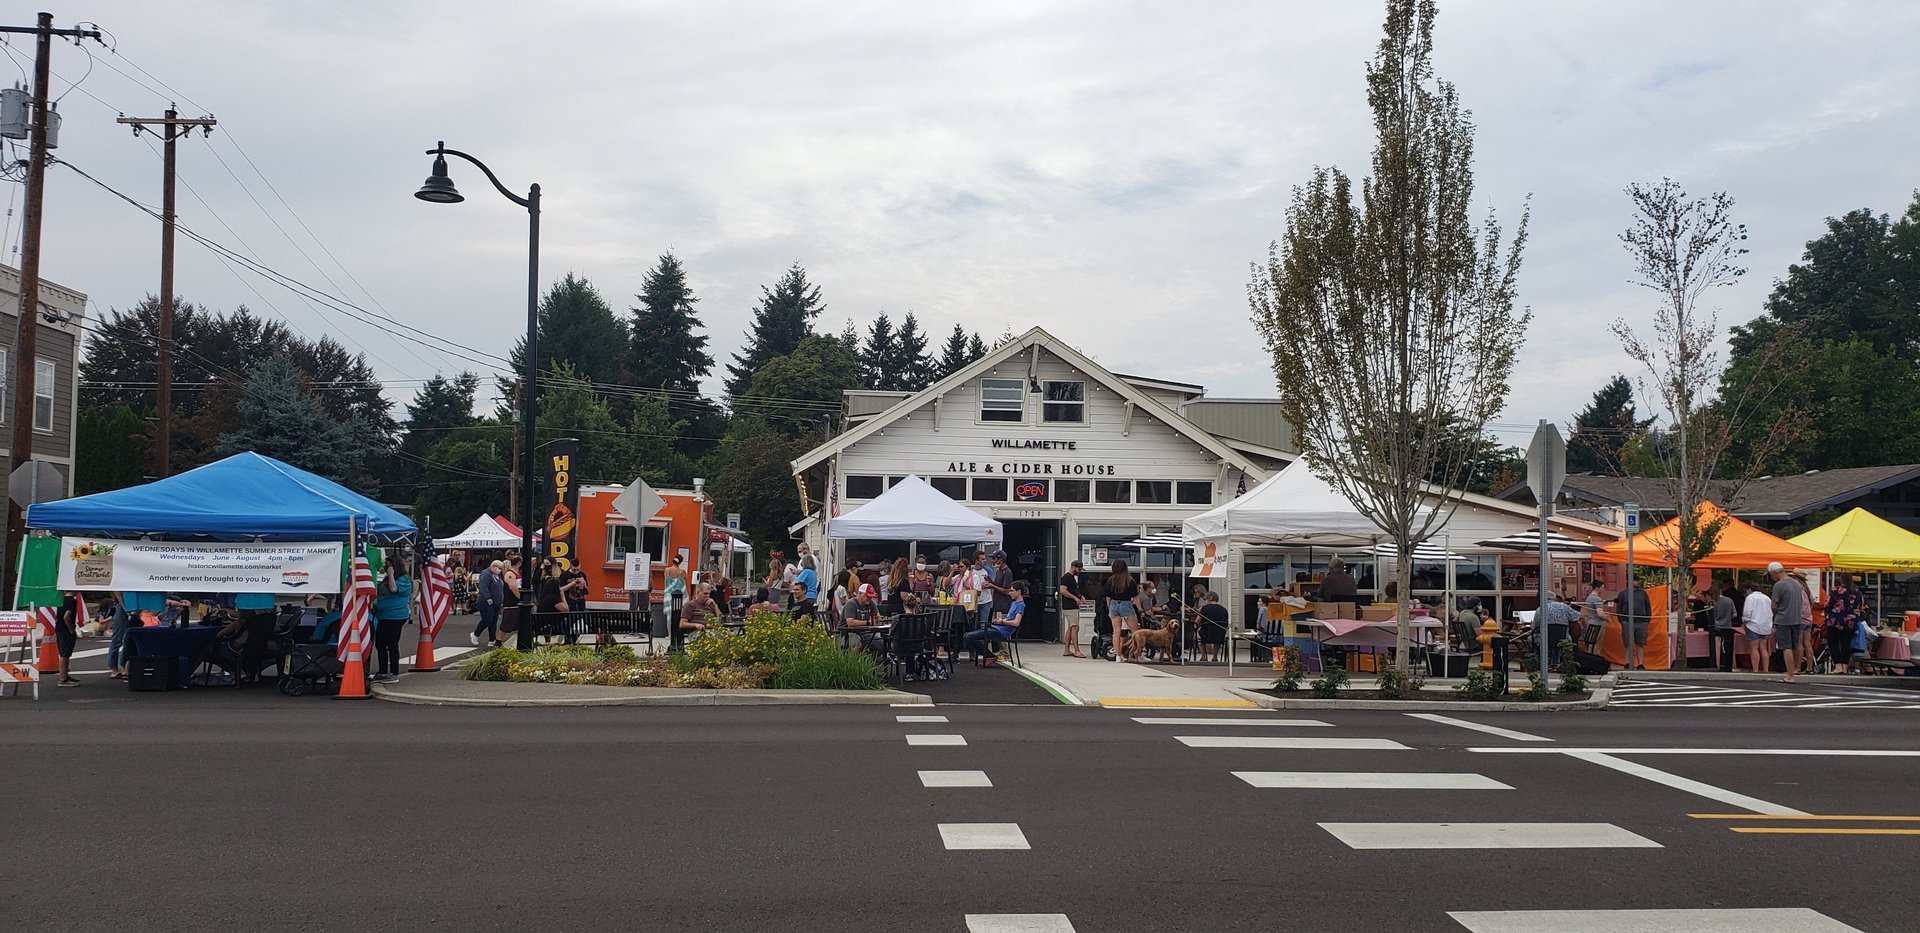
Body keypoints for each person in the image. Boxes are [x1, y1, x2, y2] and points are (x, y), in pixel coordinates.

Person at [372, 555, 413, 684]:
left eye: (388, 565)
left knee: (392, 644)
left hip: (395, 616)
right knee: (380, 644)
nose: (386, 567)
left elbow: (394, 589)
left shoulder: (404, 580)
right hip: (381, 615)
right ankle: (383, 671)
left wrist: (391, 574)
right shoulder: (384, 579)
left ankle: (394, 672)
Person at [964, 581, 1024, 666]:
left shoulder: (1020, 605)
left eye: (1012, 591)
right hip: (998, 628)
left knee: (969, 636)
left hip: (1002, 631)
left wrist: (1002, 621)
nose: (1009, 593)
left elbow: (1016, 623)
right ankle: (988, 655)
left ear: (1019, 592)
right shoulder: (1014, 603)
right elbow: (1010, 618)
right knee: (966, 635)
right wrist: (1000, 620)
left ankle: (989, 655)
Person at [1768, 561, 1804, 683]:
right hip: (1797, 618)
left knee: (1785, 647)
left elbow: (1774, 605)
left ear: (1774, 572)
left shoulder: (1779, 585)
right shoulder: (1797, 583)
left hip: (1783, 619)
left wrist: (1774, 614)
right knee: (1795, 645)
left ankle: (1790, 675)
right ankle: (1794, 670)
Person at [1827, 575, 1867, 674]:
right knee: (1846, 644)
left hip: (1836, 620)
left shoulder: (1836, 590)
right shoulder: (1857, 592)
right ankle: (1845, 666)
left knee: (1833, 643)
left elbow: (1828, 604)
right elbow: (1860, 606)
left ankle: (1838, 665)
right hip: (1851, 622)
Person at [1107, 559, 1140, 663]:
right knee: (1135, 631)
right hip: (1126, 604)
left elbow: (1107, 596)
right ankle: (1138, 654)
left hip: (1114, 604)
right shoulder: (1130, 580)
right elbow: (1135, 597)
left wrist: (1109, 608)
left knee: (1116, 632)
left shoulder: (1111, 580)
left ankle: (1118, 655)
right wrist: (1140, 609)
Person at [1743, 574, 1776, 675]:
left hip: (1753, 625)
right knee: (1763, 647)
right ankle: (1766, 669)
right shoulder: (1767, 598)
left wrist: (1744, 622)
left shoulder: (1750, 598)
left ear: (1748, 589)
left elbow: (1747, 613)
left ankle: (1756, 670)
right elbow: (1771, 612)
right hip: (1765, 625)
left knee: (1754, 648)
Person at [1057, 560, 1087, 658]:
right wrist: (1074, 598)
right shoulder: (1067, 578)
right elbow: (1062, 590)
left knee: (1071, 627)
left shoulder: (1072, 579)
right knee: (1075, 627)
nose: (1080, 571)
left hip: (1072, 606)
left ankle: (1067, 649)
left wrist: (1079, 596)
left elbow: (1071, 590)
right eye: (1079, 569)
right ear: (1073, 567)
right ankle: (1077, 650)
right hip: (1070, 606)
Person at [1620, 581, 1652, 671]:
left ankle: (1640, 663)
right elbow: (1619, 607)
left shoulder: (1643, 593)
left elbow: (1648, 606)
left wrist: (1647, 619)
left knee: (1640, 643)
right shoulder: (1623, 594)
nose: (1637, 582)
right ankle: (1627, 662)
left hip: (1641, 621)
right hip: (1627, 621)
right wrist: (1622, 620)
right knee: (1627, 643)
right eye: (1635, 580)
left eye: (1638, 581)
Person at [53, 591, 81, 687]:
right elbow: (67, 616)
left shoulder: (61, 600)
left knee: (63, 652)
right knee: (65, 654)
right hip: (66, 630)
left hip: (59, 628)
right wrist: (71, 629)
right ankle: (63, 679)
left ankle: (65, 675)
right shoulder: (72, 601)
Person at [473, 560, 504, 647]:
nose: (500, 570)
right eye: (499, 568)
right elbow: (483, 587)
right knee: (487, 620)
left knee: (493, 621)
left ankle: (492, 639)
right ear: (493, 567)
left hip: (496, 602)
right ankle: (476, 634)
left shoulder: (497, 576)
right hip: (485, 602)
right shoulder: (486, 574)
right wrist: (488, 598)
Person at [1710, 581, 1739, 673]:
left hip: (1716, 626)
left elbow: (1710, 615)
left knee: (1717, 647)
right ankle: (1731, 666)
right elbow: (1735, 614)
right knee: (1728, 648)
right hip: (1727, 625)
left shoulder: (1711, 602)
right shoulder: (1729, 600)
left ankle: (1717, 665)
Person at [101, 592, 131, 680]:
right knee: (118, 639)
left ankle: (124, 667)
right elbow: (116, 592)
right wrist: (124, 606)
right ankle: (115, 668)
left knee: (126, 640)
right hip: (122, 607)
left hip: (124, 606)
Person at [1792, 570, 1817, 674]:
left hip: (1800, 618)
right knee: (1807, 643)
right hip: (1808, 618)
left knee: (1799, 644)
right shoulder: (1807, 590)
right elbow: (1812, 603)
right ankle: (1809, 667)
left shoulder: (1798, 589)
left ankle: (1797, 667)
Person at [1196, 590, 1229, 662]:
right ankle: (1215, 656)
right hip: (1220, 636)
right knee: (1217, 637)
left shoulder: (1204, 608)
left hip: (1206, 635)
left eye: (1205, 599)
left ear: (1210, 598)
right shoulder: (1223, 610)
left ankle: (1204, 656)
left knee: (1198, 635)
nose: (1205, 601)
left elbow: (1197, 621)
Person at [1579, 578, 1607, 650]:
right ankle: (1595, 659)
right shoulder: (1597, 599)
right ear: (1597, 588)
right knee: (1597, 645)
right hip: (1598, 624)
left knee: (1591, 644)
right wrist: (1608, 618)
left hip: (1591, 621)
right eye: (1602, 587)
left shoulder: (1589, 597)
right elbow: (1600, 614)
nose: (1603, 589)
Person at [501, 555, 524, 640]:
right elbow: (513, 587)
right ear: (519, 563)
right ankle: (499, 641)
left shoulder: (518, 573)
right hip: (511, 601)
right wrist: (520, 598)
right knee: (507, 623)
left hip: (517, 602)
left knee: (516, 622)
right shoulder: (510, 573)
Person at [664, 553, 688, 624]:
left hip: (669, 595)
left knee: (669, 615)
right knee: (679, 614)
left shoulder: (667, 570)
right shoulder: (683, 572)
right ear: (680, 562)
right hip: (681, 595)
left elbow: (666, 584)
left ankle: (670, 634)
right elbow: (684, 584)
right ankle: (678, 631)